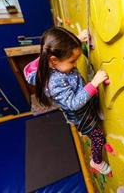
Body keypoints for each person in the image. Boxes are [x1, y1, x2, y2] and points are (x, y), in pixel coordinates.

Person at [23, 27, 111, 175]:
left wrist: (75, 39)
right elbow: (74, 103)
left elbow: (58, 53)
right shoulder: (54, 82)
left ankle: (93, 115)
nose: (75, 64)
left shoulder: (54, 59)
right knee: (98, 138)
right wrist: (94, 83)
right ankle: (96, 162)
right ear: (53, 61)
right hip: (79, 115)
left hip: (84, 106)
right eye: (72, 61)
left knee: (92, 109)